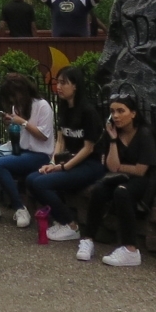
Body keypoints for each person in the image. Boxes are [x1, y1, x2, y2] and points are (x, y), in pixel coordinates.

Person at [77, 93, 156, 266]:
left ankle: (131, 249)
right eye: (112, 111)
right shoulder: (113, 134)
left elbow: (140, 170)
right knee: (99, 189)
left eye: (120, 111)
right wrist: (113, 140)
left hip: (147, 179)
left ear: (133, 113)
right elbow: (111, 166)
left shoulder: (145, 134)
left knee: (121, 192)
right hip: (123, 177)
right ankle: (88, 240)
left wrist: (119, 168)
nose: (115, 116)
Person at [24, 67, 104, 240]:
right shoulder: (63, 108)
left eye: (63, 83)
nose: (58, 87)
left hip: (90, 164)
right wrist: (52, 164)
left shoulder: (88, 112)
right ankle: (61, 221)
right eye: (57, 82)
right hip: (69, 161)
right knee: (31, 179)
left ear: (75, 86)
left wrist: (63, 167)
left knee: (41, 184)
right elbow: (61, 141)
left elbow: (88, 148)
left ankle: (70, 225)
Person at [0, 73, 55, 228]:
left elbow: (43, 136)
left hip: (40, 154)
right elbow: (18, 133)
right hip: (22, 150)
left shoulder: (42, 106)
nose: (14, 100)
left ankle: (19, 207)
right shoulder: (17, 107)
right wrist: (10, 124)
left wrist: (23, 122)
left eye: (15, 95)